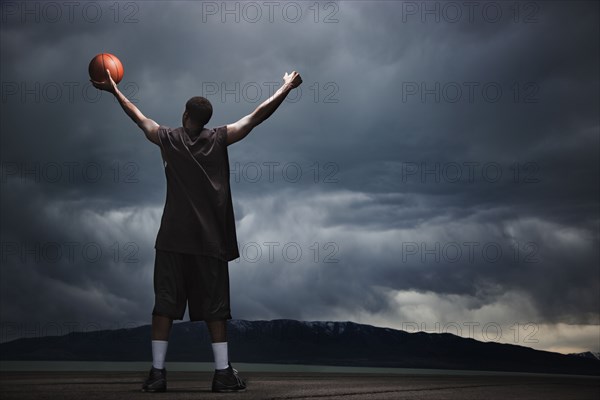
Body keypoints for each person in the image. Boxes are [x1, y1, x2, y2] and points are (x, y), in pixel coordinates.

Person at [90, 68, 302, 393]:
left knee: (164, 304)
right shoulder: (220, 137)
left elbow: (138, 117)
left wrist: (114, 90)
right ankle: (222, 374)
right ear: (205, 119)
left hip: (172, 240)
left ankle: (158, 374)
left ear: (185, 114)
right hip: (209, 242)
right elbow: (257, 116)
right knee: (215, 309)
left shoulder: (168, 139)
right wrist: (286, 87)